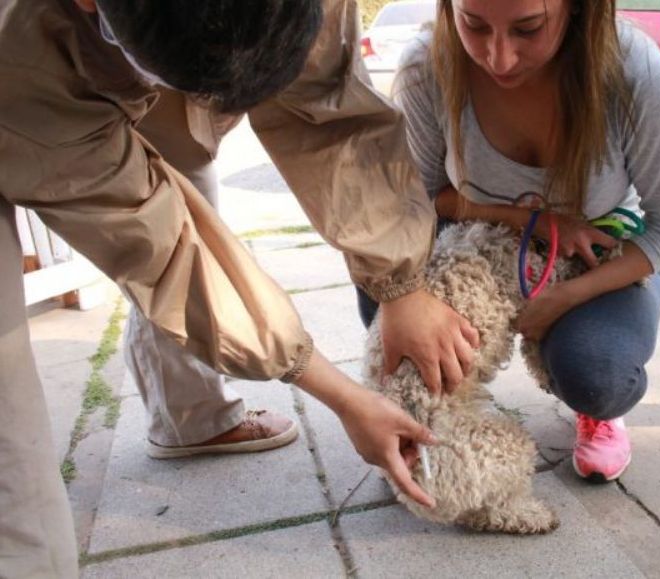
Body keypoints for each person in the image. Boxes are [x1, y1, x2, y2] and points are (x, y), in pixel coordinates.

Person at [0, 0, 482, 576]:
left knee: (190, 164)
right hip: (22, 84)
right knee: (10, 435)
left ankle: (192, 417)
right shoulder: (22, 57)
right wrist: (344, 397)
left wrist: (402, 284)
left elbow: (328, 110)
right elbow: (166, 252)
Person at [357, 0, 660, 484]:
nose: (498, 58)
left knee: (597, 374)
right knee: (384, 284)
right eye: (474, 25)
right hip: (476, 238)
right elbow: (418, 200)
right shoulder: (427, 63)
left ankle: (598, 410)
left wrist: (564, 298)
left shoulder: (637, 75)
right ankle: (424, 409)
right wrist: (528, 219)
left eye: (528, 29)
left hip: (594, 254)